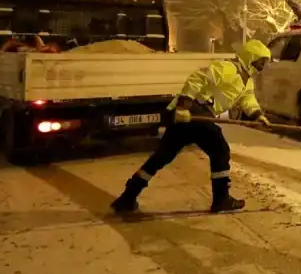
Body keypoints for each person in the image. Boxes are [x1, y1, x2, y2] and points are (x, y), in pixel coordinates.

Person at [110, 39, 273, 215]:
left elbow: (247, 100)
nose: (262, 67)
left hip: (195, 116)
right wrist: (183, 106)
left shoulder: (247, 81)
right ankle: (221, 199)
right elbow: (197, 79)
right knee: (220, 150)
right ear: (251, 57)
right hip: (195, 111)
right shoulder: (228, 69)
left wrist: (259, 116)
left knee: (162, 156)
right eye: (261, 62)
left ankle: (127, 197)